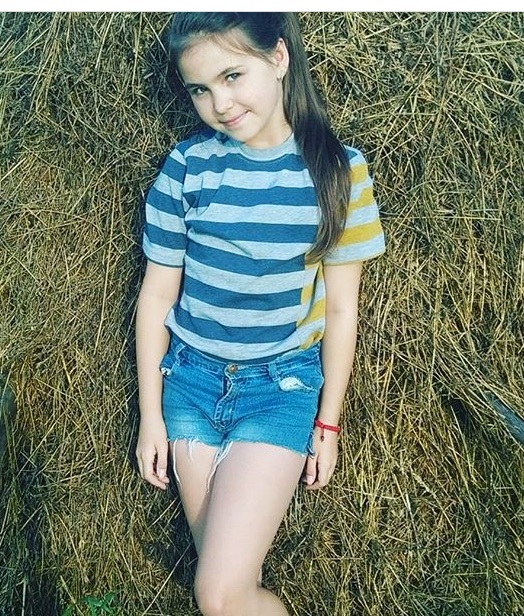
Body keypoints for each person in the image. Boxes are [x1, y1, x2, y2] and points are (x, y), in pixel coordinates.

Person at [135, 12, 385, 616]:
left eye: (232, 76)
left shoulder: (338, 171)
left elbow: (342, 311)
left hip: (279, 391)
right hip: (189, 387)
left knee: (218, 596)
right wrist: (151, 416)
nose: (219, 104)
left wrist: (328, 423)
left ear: (278, 57)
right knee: (227, 590)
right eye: (199, 89)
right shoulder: (188, 167)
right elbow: (156, 297)